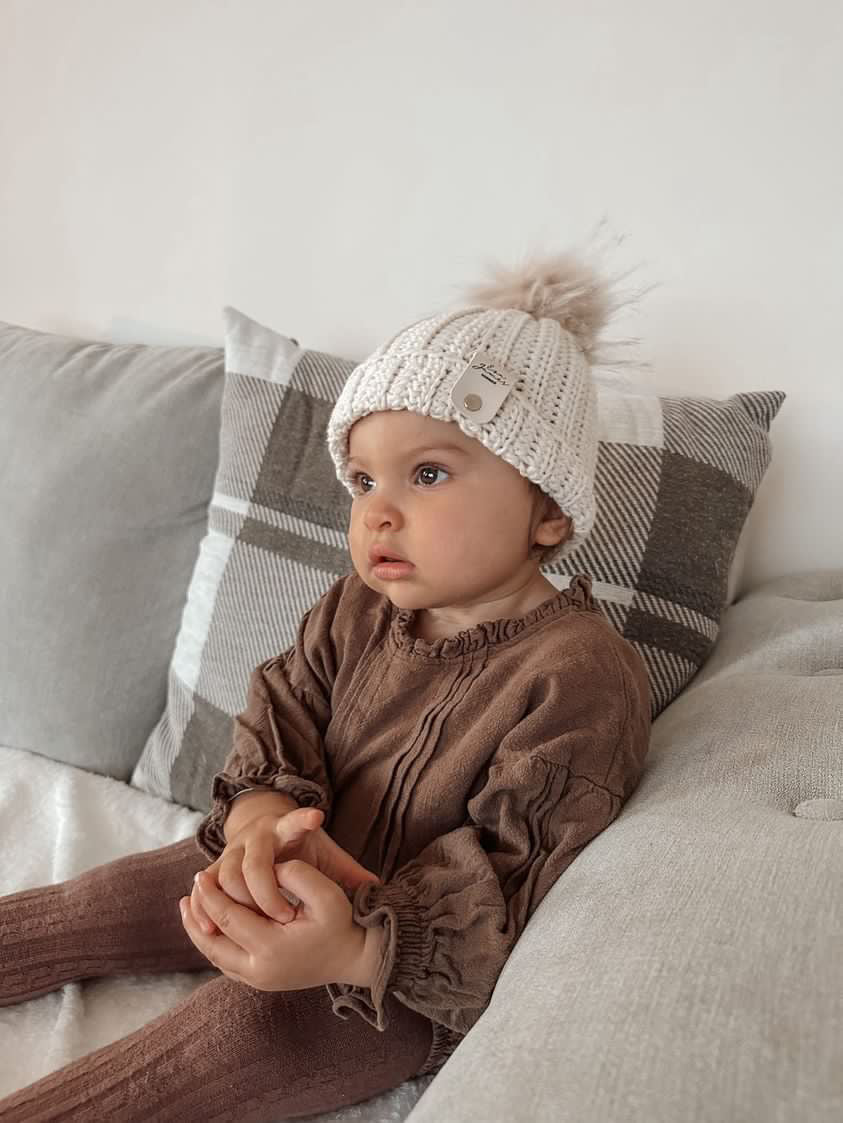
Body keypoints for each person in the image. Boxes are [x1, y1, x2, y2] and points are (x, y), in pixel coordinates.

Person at [0, 245, 651, 1120]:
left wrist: (350, 946)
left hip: (398, 968)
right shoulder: (360, 604)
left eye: (427, 475)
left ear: (549, 510)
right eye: (365, 479)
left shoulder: (575, 676)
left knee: (235, 1032)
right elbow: (285, 708)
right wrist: (260, 821)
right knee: (103, 901)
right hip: (286, 865)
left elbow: (517, 888)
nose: (378, 510)